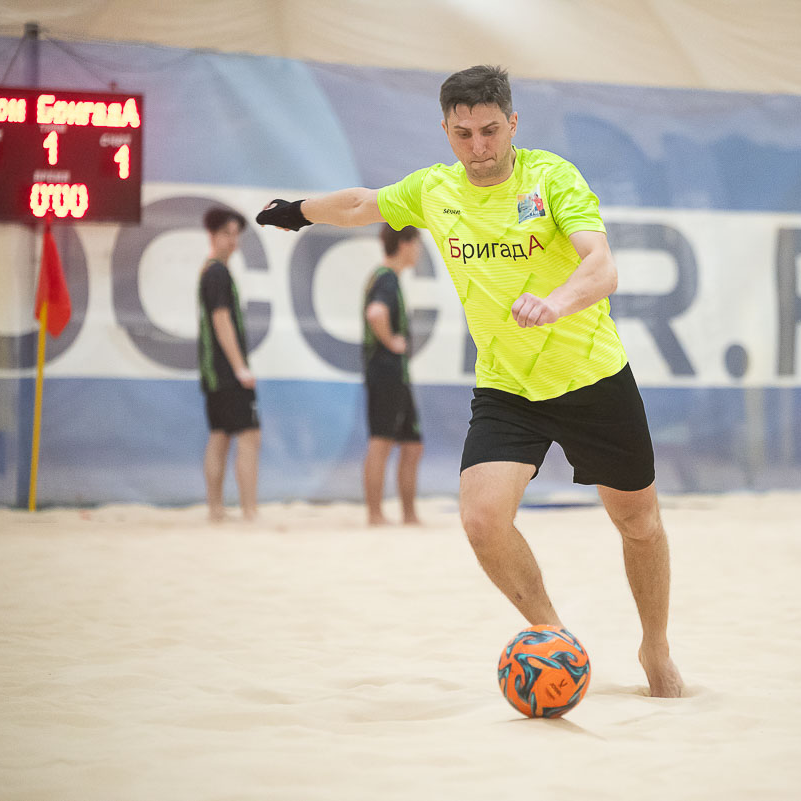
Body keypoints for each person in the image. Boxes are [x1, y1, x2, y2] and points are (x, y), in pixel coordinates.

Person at [256, 65, 682, 697]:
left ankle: (655, 647)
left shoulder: (551, 178)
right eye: (463, 135)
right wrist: (298, 211)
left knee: (638, 524)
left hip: (592, 378)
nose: (479, 148)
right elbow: (362, 203)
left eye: (490, 131)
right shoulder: (436, 189)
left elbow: (602, 265)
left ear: (512, 124)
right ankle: (556, 641)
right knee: (482, 521)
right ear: (446, 131)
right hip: (508, 388)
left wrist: (556, 303)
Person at [197, 207, 260, 522]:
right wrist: (239, 367)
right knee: (249, 436)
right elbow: (221, 320)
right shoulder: (217, 273)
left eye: (236, 234)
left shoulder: (212, 271)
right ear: (212, 235)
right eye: (226, 233)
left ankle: (216, 509)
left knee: (220, 436)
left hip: (214, 371)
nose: (233, 240)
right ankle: (249, 510)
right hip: (225, 371)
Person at [363, 224, 424, 526]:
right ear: (404, 244)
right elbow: (376, 313)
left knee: (412, 444)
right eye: (417, 244)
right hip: (386, 372)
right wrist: (390, 341)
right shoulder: (386, 277)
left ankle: (409, 515)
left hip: (395, 374)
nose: (419, 252)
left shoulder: (386, 277)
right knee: (382, 440)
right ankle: (375, 515)